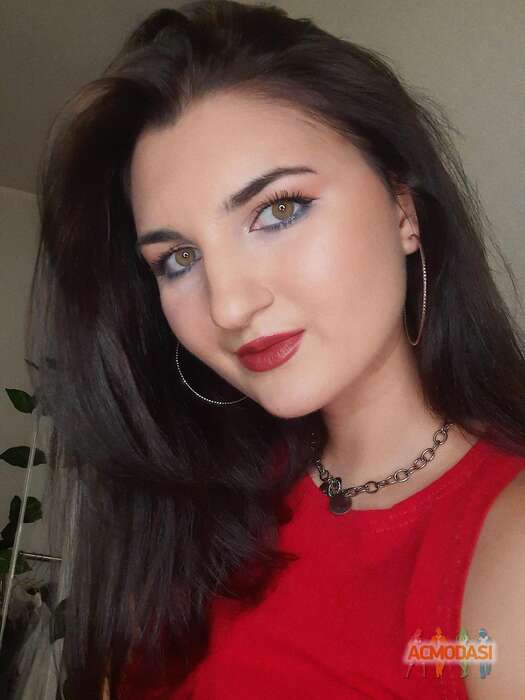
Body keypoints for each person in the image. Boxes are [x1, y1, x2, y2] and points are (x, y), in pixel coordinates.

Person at [25, 1, 525, 699]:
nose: (228, 306)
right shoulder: (197, 496)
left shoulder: (503, 542)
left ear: (403, 211)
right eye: (178, 259)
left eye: (278, 210)